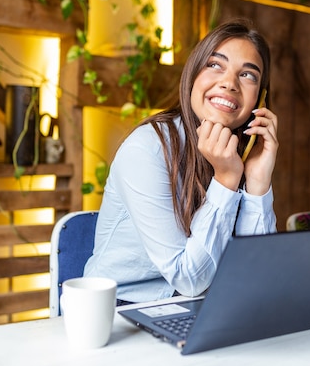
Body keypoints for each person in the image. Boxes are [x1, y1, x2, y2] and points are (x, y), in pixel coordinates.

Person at [83, 19, 278, 304]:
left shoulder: (240, 154)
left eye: (248, 75)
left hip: (194, 307)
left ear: (259, 99)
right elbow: (189, 279)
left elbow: (257, 279)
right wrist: (225, 180)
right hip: (120, 312)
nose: (229, 83)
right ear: (193, 75)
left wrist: (258, 183)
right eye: (214, 65)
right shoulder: (146, 149)